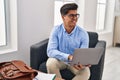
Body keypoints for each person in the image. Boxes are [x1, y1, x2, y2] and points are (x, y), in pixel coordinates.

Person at [46, 3, 90, 80]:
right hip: (60, 60)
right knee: (50, 63)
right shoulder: (56, 30)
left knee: (86, 72)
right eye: (71, 15)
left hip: (75, 63)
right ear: (63, 17)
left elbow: (83, 54)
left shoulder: (83, 33)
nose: (75, 18)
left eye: (76, 15)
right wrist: (69, 57)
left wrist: (83, 62)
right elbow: (50, 51)